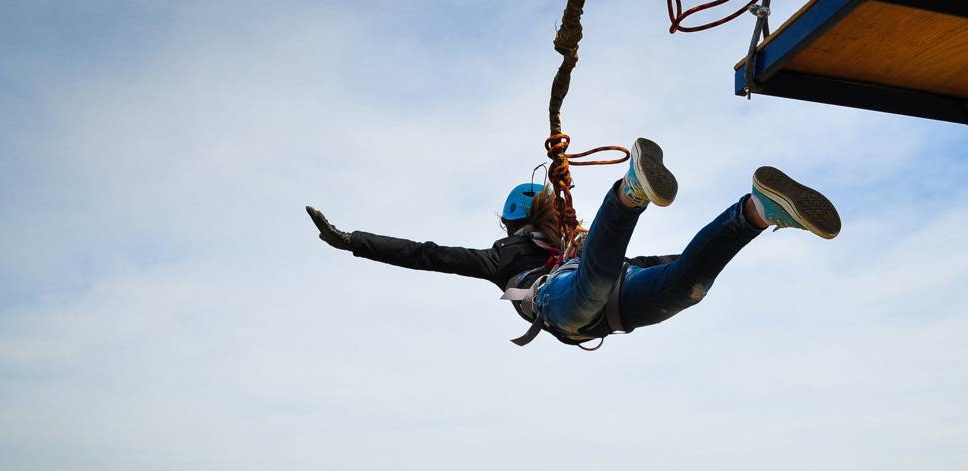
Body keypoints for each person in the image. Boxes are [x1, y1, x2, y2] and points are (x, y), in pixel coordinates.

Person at [306, 138, 840, 347]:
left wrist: (686, 260)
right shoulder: (507, 259)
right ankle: (632, 194)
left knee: (688, 288)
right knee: (601, 275)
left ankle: (755, 211)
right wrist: (351, 240)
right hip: (576, 303)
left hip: (596, 298)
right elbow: (423, 255)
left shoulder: (575, 247)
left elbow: (634, 262)